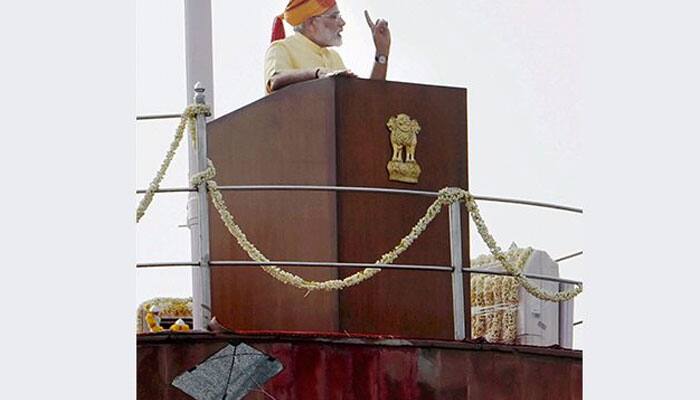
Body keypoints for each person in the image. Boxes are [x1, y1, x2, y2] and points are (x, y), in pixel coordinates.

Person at [264, 0, 391, 93]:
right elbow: (274, 81)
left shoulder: (334, 57)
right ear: (311, 23)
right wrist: (318, 73)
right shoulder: (281, 48)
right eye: (334, 16)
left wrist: (381, 52)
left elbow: (366, 100)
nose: (342, 23)